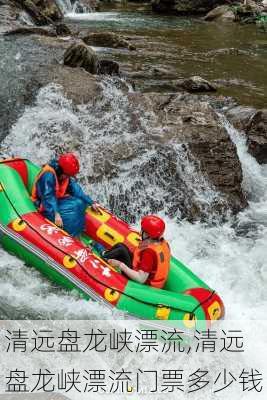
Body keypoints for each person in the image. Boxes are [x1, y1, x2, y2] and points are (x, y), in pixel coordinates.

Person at [31, 153, 100, 237]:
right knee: (73, 208)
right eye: (68, 175)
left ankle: (78, 231)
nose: (68, 177)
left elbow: (76, 190)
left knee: (80, 203)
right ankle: (71, 236)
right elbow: (48, 196)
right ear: (62, 171)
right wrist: (56, 213)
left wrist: (91, 202)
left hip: (57, 202)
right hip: (44, 206)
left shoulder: (63, 175)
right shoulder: (48, 175)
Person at [104, 215, 171, 289]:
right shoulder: (162, 243)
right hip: (150, 278)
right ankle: (105, 255)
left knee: (121, 250)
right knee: (121, 246)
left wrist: (120, 265)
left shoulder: (149, 253)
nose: (140, 232)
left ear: (148, 234)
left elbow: (141, 279)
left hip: (144, 286)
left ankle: (102, 258)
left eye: (142, 230)